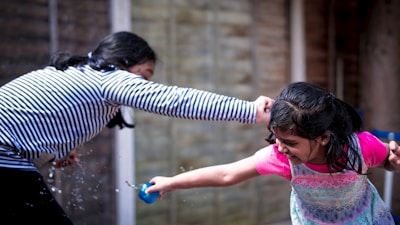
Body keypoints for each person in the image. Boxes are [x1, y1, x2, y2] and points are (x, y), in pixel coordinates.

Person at [0, 31, 274, 224]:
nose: (143, 85)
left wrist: (62, 148)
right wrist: (247, 110)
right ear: (122, 62)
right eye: (143, 76)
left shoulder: (78, 73)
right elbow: (174, 101)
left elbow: (45, 111)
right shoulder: (109, 76)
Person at [147, 82, 400, 225]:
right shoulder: (281, 158)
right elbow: (226, 174)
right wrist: (171, 183)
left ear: (323, 138)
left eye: (289, 141)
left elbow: (389, 161)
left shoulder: (360, 148)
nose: (279, 147)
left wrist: (394, 162)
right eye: (276, 138)